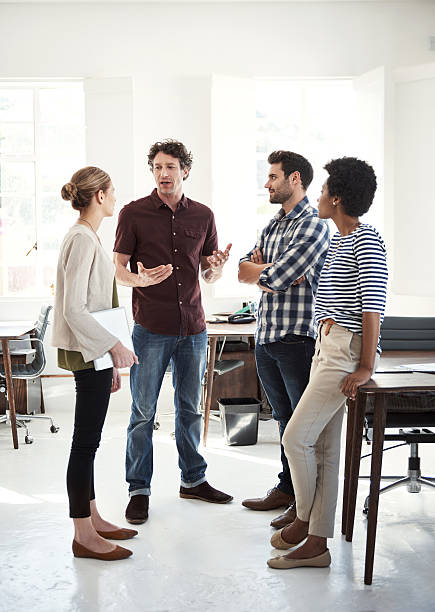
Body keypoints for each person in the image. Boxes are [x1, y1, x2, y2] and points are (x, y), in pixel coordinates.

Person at [268, 157, 388, 570]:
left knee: (294, 438)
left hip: (344, 353)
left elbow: (372, 308)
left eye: (322, 191)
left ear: (336, 198)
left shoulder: (366, 240)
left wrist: (365, 367)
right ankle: (317, 542)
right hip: (327, 346)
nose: (317, 196)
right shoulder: (340, 239)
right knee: (323, 449)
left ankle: (304, 521)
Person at [114, 139, 233, 525]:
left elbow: (209, 272)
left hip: (194, 328)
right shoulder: (133, 214)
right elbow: (118, 271)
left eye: (171, 167)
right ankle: (138, 489)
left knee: (189, 410)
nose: (163, 174)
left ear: (185, 170)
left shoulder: (203, 215)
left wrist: (217, 267)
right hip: (151, 328)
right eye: (157, 167)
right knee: (143, 412)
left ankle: (193, 480)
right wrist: (140, 279)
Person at [52, 166, 139, 561]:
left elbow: (94, 302)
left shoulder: (86, 237)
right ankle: (83, 534)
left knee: (89, 442)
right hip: (89, 351)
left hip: (93, 353)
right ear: (100, 196)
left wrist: (107, 357)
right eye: (113, 190)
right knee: (84, 444)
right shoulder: (83, 239)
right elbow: (74, 309)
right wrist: (114, 347)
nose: (116, 197)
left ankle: (92, 518)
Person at [238, 151, 329, 528]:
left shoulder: (312, 225)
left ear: (295, 179)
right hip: (266, 336)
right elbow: (244, 270)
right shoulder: (273, 225)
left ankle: (307, 505)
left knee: (302, 431)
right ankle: (287, 489)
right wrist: (265, 270)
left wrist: (264, 271)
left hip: (297, 339)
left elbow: (272, 278)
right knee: (281, 420)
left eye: (273, 177)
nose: (267, 183)